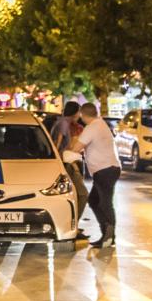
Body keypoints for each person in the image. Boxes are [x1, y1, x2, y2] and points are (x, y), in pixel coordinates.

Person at [71, 102, 121, 248]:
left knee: (105, 203)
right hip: (108, 169)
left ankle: (109, 236)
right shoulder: (101, 124)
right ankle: (106, 233)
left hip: (104, 170)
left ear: (82, 115)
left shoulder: (91, 127)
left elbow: (77, 148)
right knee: (94, 200)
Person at [50, 100, 89, 238]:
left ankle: (71, 226)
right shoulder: (64, 123)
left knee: (72, 195)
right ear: (75, 112)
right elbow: (58, 143)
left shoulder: (62, 122)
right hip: (66, 163)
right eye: (78, 111)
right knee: (82, 194)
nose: (79, 115)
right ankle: (72, 226)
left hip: (67, 162)